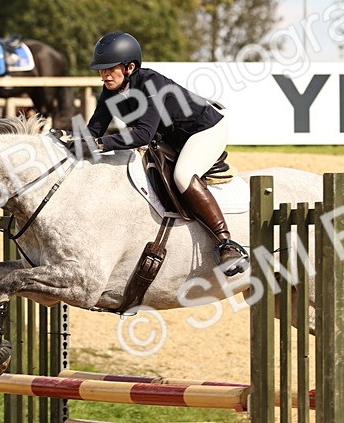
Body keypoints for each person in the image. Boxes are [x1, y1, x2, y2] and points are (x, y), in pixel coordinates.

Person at [84, 31, 248, 275]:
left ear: (129, 67)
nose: (104, 74)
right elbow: (93, 130)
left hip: (204, 131)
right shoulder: (110, 92)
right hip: (173, 138)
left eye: (110, 69)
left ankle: (226, 243)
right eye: (101, 69)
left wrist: (99, 144)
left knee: (182, 175)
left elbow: (143, 135)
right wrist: (69, 143)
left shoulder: (151, 84)